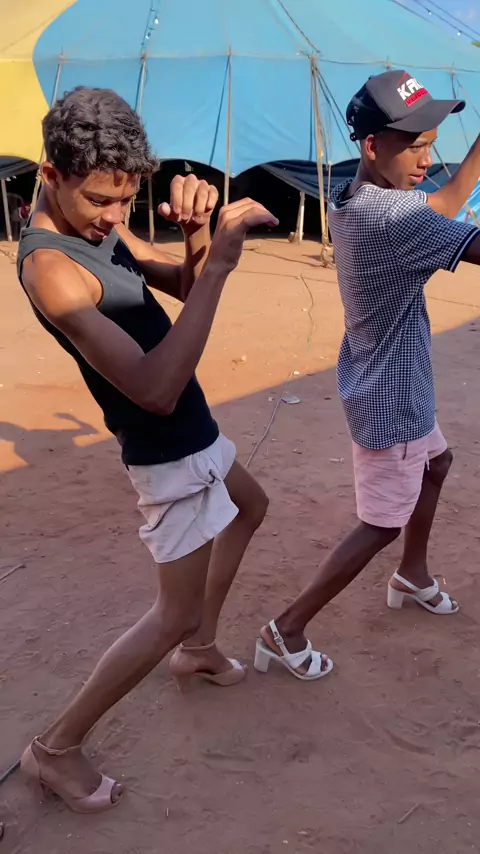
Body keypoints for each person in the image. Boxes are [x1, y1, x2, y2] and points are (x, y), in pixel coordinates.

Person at [17, 86, 278, 812]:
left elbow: (181, 287)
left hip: (192, 428)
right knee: (170, 614)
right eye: (100, 200)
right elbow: (156, 389)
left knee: (251, 506)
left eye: (126, 200)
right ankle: (55, 749)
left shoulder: (101, 227)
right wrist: (219, 267)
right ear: (50, 175)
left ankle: (200, 649)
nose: (113, 216)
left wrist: (197, 237)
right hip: (166, 447)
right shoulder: (51, 269)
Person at [255, 69, 480, 681]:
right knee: (381, 522)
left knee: (438, 464)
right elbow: (448, 226)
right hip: (392, 396)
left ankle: (412, 574)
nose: (425, 160)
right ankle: (285, 629)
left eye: (432, 145)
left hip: (389, 376)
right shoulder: (392, 220)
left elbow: (441, 205)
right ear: (373, 145)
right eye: (415, 146)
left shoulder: (352, 197)